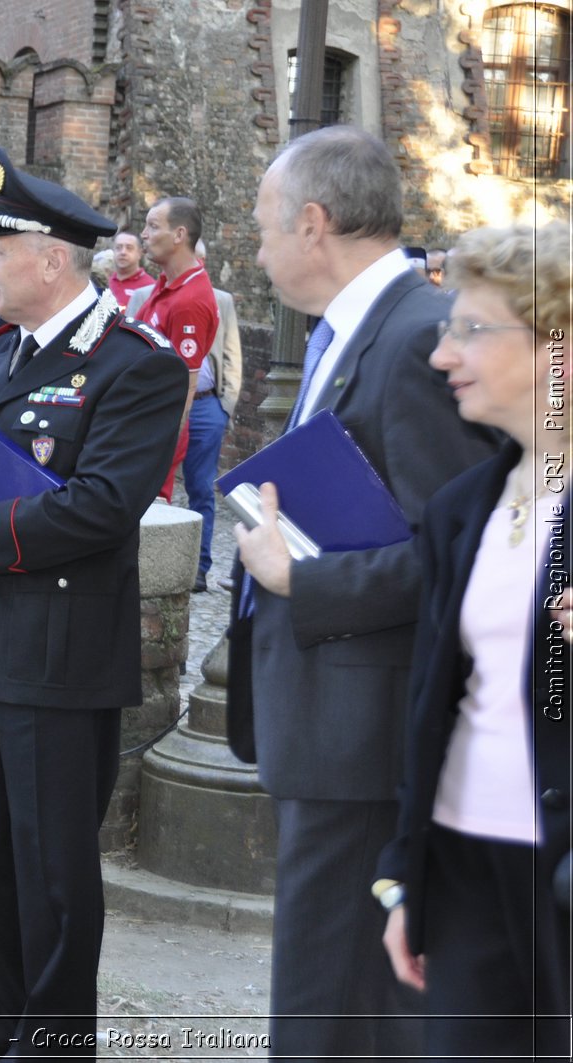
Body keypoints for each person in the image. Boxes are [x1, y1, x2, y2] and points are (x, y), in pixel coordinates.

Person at [0, 147, 186, 1060]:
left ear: (52, 258)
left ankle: (55, 1043)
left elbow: (104, 506)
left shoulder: (134, 364)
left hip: (54, 655)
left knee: (52, 869)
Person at [230, 124, 498, 1060]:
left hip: (367, 732)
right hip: (334, 723)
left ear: (314, 223)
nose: (255, 248)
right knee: (341, 999)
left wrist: (301, 577)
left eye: (264, 225)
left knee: (330, 1002)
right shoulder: (358, 332)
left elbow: (455, 553)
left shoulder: (419, 339)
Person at [377, 222, 571, 1061]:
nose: (441, 354)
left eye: (471, 329)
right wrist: (403, 877)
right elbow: (434, 704)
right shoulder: (463, 506)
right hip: (463, 871)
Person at [137, 197, 218, 505]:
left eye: (153, 226)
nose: (144, 234)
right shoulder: (168, 284)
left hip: (156, 426)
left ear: (179, 235)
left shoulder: (190, 299)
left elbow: (186, 380)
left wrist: (164, 445)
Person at [182, 238, 244, 592]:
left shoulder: (221, 300)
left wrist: (225, 406)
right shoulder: (148, 297)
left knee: (200, 487)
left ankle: (199, 568)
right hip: (162, 403)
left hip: (206, 405)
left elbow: (233, 353)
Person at [106, 230, 154, 308]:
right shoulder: (105, 282)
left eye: (129, 248)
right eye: (118, 247)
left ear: (139, 253)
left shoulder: (149, 287)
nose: (123, 252)